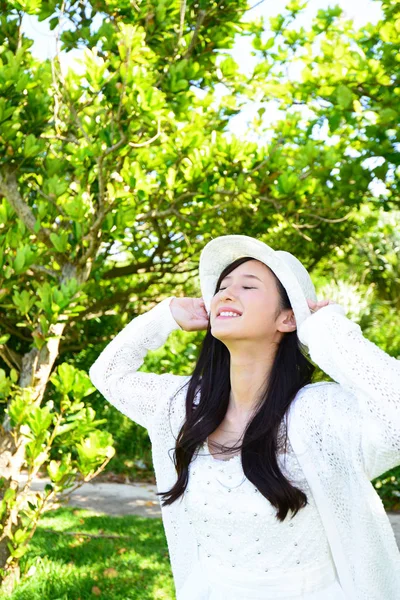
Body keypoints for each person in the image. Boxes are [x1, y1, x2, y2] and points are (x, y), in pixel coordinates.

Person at [89, 234, 400, 600]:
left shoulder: (315, 414)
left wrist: (327, 331)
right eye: (222, 287)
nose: (225, 293)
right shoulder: (188, 406)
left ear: (287, 318)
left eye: (248, 285)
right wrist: (165, 316)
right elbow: (109, 375)